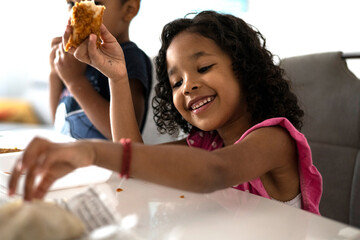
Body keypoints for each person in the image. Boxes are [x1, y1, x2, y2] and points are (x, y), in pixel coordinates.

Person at [9, 11, 322, 214]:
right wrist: (117, 77)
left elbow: (215, 172)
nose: (187, 86)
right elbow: (136, 159)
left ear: (245, 71)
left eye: (204, 68)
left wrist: (91, 151)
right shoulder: (206, 144)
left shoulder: (274, 139)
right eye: (176, 81)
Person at [49, 0, 152, 140]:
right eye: (71, 4)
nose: (76, 14)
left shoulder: (129, 57)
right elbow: (58, 120)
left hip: (102, 160)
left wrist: (75, 81)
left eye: (94, 3)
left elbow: (127, 137)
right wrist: (55, 73)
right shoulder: (73, 60)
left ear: (129, 9)